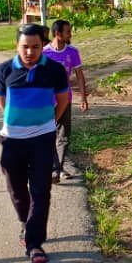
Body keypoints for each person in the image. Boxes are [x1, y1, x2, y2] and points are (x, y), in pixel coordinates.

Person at [0, 24, 70, 263]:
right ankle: (25, 223)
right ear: (17, 46)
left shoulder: (55, 70)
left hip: (42, 139)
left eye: (35, 47)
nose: (30, 52)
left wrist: (47, 123)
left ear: (43, 46)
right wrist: (18, 124)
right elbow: (2, 101)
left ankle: (34, 243)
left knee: (41, 191)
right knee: (16, 188)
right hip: (12, 140)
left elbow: (63, 100)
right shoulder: (4, 69)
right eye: (25, 47)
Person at [42, 20, 88, 182]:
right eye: (68, 32)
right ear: (58, 34)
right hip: (46, 102)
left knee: (63, 135)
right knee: (47, 134)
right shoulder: (44, 53)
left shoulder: (73, 52)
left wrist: (83, 98)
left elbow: (80, 76)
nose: (70, 34)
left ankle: (57, 168)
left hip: (65, 100)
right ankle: (54, 167)